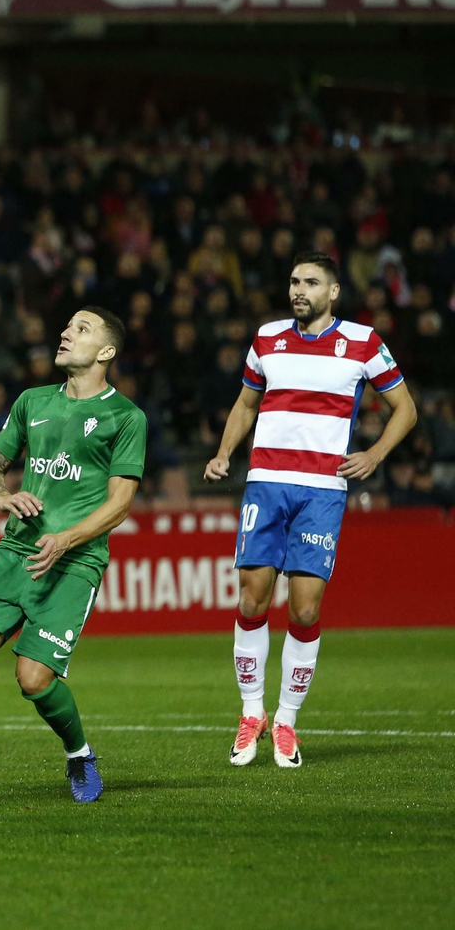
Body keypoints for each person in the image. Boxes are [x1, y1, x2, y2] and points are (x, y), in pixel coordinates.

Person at [205, 252, 416, 768]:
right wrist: (224, 452)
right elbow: (246, 404)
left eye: (312, 282)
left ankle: (286, 720)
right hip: (266, 486)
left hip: (322, 492)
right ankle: (251, 712)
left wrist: (373, 455)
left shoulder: (364, 343)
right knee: (253, 600)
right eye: (295, 280)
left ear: (334, 291)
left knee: (304, 609)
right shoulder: (266, 338)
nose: (299, 289)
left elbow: (405, 408)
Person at [0, 307, 146, 809]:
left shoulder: (126, 417)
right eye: (67, 325)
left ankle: (79, 753)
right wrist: (1, 496)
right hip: (16, 551)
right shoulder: (32, 402)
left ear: (107, 352)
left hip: (73, 562)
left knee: (33, 678)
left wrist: (66, 539)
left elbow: (120, 504)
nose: (66, 332)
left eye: (82, 329)